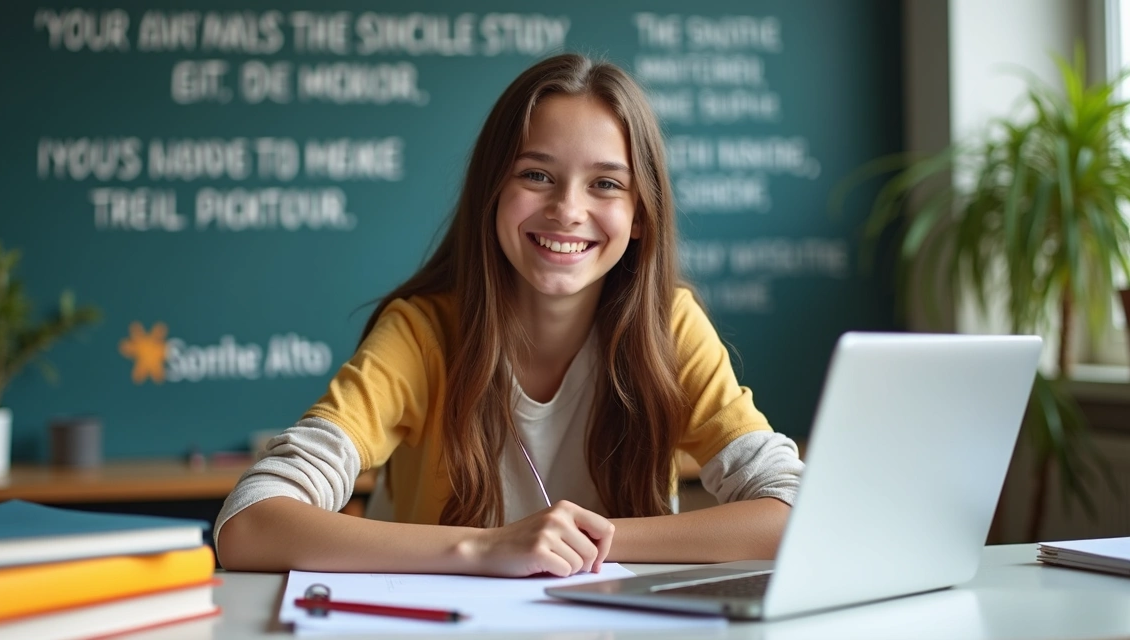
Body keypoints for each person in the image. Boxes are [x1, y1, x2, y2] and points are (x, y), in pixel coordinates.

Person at [215, 53, 803, 578]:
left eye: (605, 184)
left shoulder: (669, 327)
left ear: (641, 214)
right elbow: (250, 520)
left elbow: (799, 509)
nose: (568, 209)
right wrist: (485, 549)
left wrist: (590, 540)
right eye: (536, 175)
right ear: (492, 191)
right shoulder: (423, 333)